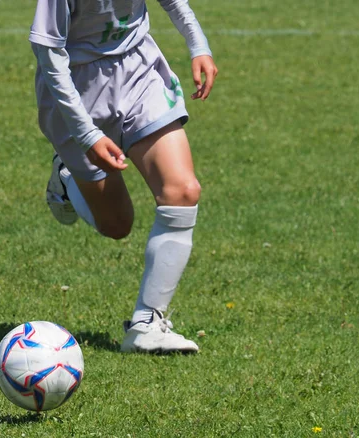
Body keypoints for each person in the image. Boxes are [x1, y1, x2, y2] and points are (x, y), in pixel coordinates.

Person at [29, 0, 218, 353]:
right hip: (75, 90)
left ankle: (147, 324)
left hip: (138, 71)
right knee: (117, 224)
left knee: (183, 190)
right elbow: (48, 53)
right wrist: (86, 134)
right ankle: (67, 178)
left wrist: (198, 45)